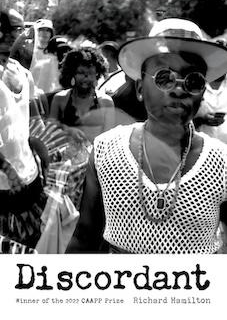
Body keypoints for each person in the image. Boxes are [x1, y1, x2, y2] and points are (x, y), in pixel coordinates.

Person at [66, 18, 227, 254]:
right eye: (164, 77)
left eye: (193, 80)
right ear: (140, 88)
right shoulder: (106, 149)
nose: (180, 89)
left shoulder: (221, 162)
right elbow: (85, 237)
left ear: (202, 92)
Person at [49, 46, 115, 144]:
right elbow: (50, 130)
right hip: (67, 156)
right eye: (81, 73)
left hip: (96, 156)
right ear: (72, 73)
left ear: (97, 74)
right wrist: (68, 130)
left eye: (91, 73)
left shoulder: (106, 102)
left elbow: (109, 138)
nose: (86, 78)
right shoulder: (60, 99)